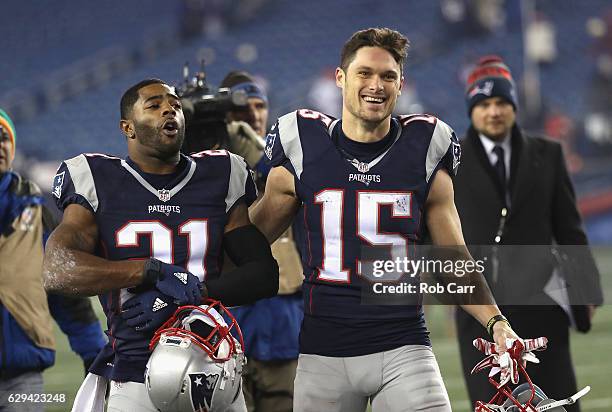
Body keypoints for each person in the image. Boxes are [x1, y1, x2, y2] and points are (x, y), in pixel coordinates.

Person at [250, 28, 521, 412]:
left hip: (403, 346)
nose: (376, 85)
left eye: (388, 76)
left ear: (400, 84)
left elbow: (452, 257)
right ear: (341, 78)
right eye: (364, 73)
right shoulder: (302, 141)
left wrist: (497, 323)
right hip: (323, 352)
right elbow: (251, 238)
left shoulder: (425, 145)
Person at [42, 79, 279, 411]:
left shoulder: (221, 173)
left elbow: (264, 275)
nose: (169, 109)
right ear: (128, 127)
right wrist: (149, 270)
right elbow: (57, 270)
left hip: (214, 366)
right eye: (154, 105)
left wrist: (191, 293)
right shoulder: (97, 178)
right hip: (135, 373)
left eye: (176, 105)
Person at [453, 56, 603, 411]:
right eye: (484, 104)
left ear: (514, 106)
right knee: (493, 405)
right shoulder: (450, 157)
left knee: (558, 402)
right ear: (472, 109)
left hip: (541, 304)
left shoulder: (547, 153)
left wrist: (586, 292)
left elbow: (570, 230)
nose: (493, 112)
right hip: (481, 310)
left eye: (502, 103)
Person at [0, 109, 106, 411]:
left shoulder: (34, 210)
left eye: (4, 137)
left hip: (22, 375)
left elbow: (63, 289)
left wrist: (93, 352)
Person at [221, 71, 303, 412]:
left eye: (260, 106)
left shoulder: (284, 160)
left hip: (283, 312)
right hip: (231, 314)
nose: (254, 114)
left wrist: (262, 159)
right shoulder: (210, 165)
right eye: (243, 108)